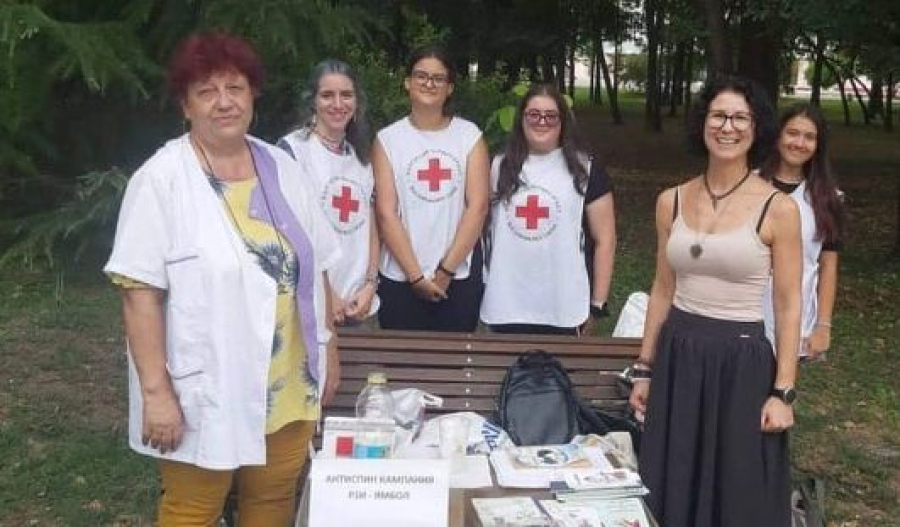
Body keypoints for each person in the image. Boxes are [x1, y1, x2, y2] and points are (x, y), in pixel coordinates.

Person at [103, 32, 340, 526]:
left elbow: (315, 265)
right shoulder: (161, 179)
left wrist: (329, 347)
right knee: (193, 509)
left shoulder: (283, 167)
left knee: (272, 501)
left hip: (287, 383)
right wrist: (156, 394)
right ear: (185, 106)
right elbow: (139, 295)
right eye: (206, 91)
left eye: (234, 87)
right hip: (205, 387)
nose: (224, 102)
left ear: (253, 94)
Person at [628, 77, 802, 527]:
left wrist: (783, 392)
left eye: (741, 118)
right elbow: (662, 288)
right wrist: (645, 368)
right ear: (702, 122)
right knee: (674, 479)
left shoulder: (778, 208)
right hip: (679, 356)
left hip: (741, 362)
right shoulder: (670, 201)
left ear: (756, 128)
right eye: (719, 115)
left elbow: (788, 304)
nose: (728, 127)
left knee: (736, 488)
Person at [480, 84, 616, 335]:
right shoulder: (496, 167)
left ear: (563, 121)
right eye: (533, 114)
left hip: (564, 304)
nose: (542, 122)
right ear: (521, 119)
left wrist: (598, 303)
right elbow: (479, 226)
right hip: (506, 302)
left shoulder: (586, 170)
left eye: (551, 116)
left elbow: (605, 240)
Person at [372, 45, 490, 331]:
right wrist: (415, 277)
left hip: (457, 277)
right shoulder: (387, 139)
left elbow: (477, 206)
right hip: (401, 278)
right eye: (421, 76)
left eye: (438, 78)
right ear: (407, 82)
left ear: (450, 88)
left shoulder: (469, 136)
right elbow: (386, 213)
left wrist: (445, 272)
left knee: (456, 357)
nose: (429, 83)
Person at [278, 59, 380, 326]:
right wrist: (327, 294)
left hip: (359, 304)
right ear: (313, 101)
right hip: (309, 302)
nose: (337, 104)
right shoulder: (292, 151)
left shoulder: (362, 158)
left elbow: (370, 227)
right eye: (327, 95)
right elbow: (287, 231)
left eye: (346, 95)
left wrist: (370, 284)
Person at [761, 103, 844, 360]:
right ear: (778, 136)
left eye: (809, 137)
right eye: (792, 133)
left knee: (782, 385)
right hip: (742, 318)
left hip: (795, 321)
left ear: (818, 145)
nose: (799, 143)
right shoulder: (749, 187)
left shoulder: (829, 199)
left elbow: (828, 265)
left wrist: (823, 326)